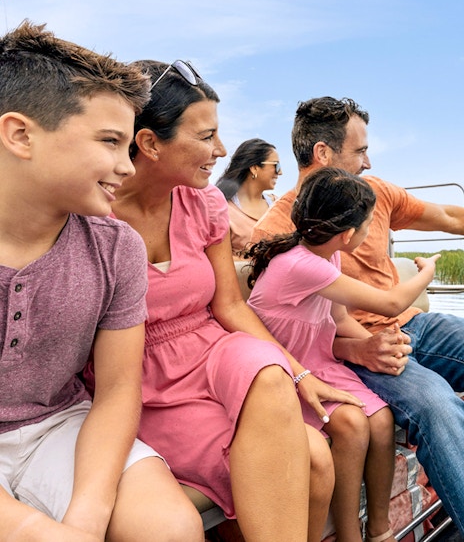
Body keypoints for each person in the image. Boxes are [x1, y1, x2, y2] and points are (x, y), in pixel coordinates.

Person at [109, 60, 367, 542]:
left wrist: (300, 371)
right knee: (310, 457)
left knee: (278, 386)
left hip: (212, 349)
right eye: (206, 137)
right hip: (142, 371)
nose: (221, 151)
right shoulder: (94, 214)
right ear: (148, 143)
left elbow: (229, 304)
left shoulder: (202, 203)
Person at [0, 23, 203, 542]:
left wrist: (87, 513)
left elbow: (116, 390)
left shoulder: (115, 247)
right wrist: (30, 527)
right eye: (110, 142)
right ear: (20, 135)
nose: (125, 167)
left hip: (59, 425)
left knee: (172, 529)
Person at [251, 95, 464, 535]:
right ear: (324, 154)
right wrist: (360, 348)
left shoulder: (376, 194)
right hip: (351, 354)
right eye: (360, 150)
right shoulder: (278, 233)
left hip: (411, 326)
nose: (368, 162)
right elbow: (281, 330)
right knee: (436, 405)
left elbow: (444, 214)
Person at [216, 138, 282, 258]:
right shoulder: (223, 210)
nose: (280, 172)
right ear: (254, 168)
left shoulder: (279, 205)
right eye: (276, 166)